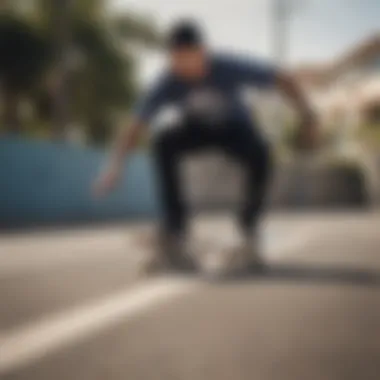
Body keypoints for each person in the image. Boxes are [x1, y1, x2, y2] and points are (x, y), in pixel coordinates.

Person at [93, 20, 317, 272]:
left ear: (203, 52)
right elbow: (136, 125)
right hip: (196, 129)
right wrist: (114, 167)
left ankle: (248, 230)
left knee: (261, 151)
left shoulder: (227, 66)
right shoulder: (168, 80)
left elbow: (282, 78)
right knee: (164, 140)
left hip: (234, 128)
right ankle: (175, 231)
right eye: (177, 61)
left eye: (190, 59)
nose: (184, 69)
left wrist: (308, 116)